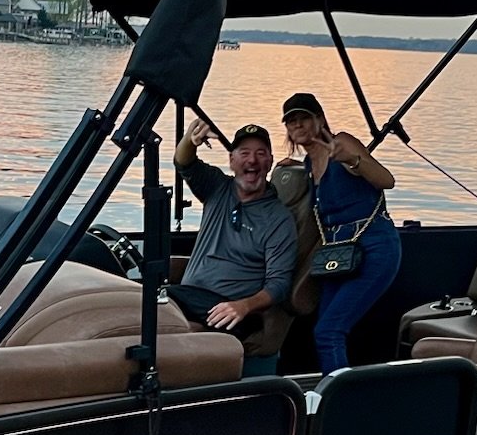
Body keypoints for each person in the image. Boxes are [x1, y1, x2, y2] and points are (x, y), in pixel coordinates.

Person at [281, 91, 401, 373]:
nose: (297, 125)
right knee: (324, 328)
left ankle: (336, 401)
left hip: (374, 247)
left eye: (304, 118)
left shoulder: (342, 143)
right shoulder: (310, 164)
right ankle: (335, 392)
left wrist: (355, 160)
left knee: (329, 331)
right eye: (290, 121)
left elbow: (387, 180)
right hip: (340, 255)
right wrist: (296, 167)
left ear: (320, 119)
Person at [170, 117, 298, 344]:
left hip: (232, 309)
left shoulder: (279, 219)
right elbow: (183, 162)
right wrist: (190, 140)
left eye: (260, 153)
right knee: (140, 312)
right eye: (244, 153)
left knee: (178, 333)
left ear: (269, 162)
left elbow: (279, 285)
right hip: (187, 297)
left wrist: (244, 306)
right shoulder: (217, 187)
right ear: (231, 160)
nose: (252, 160)